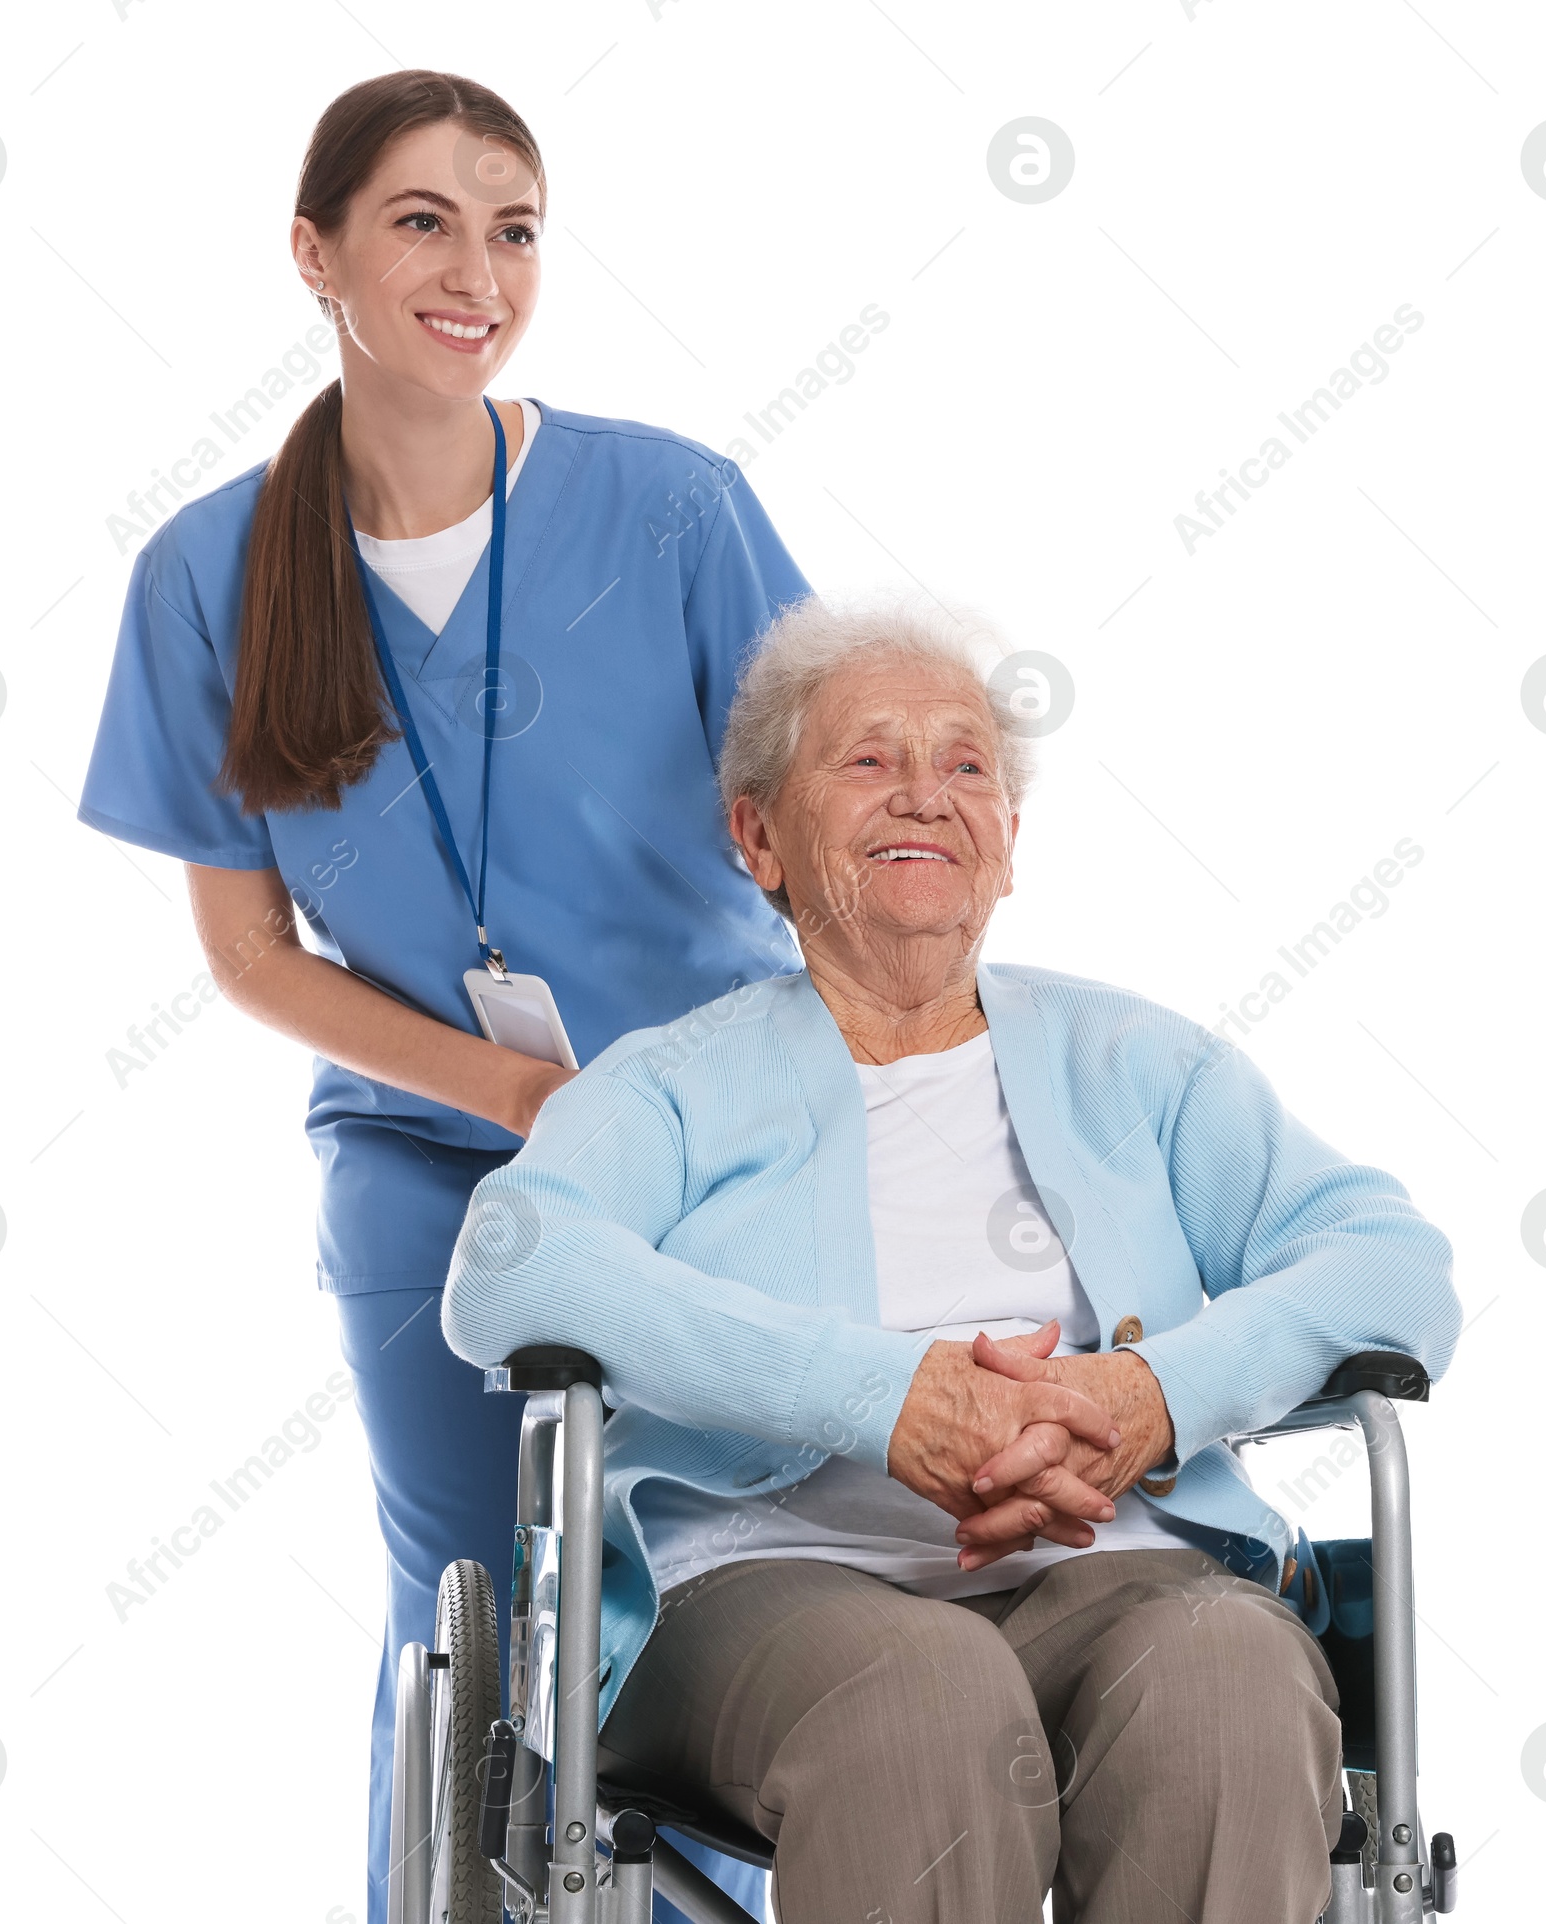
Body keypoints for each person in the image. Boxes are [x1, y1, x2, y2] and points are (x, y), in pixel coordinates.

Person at [441, 594, 1462, 1923]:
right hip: (759, 1585)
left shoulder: (1139, 1063)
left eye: (965, 764)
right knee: (925, 1696)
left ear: (1009, 844)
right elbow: (511, 1271)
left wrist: (1149, 1398)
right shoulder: (674, 1087)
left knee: (1236, 1678)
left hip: (1123, 1566)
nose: (924, 794)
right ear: (759, 836)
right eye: (867, 759)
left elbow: (1393, 1263)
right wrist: (885, 1399)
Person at [77, 70, 803, 1924]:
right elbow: (249, 958)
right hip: (426, 1166)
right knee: (470, 1620)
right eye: (422, 221)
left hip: (715, 1158)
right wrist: (505, 1098)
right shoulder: (206, 575)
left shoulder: (673, 509)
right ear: (315, 255)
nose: (477, 269)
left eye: (516, 226)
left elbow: (828, 815)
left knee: (699, 1598)